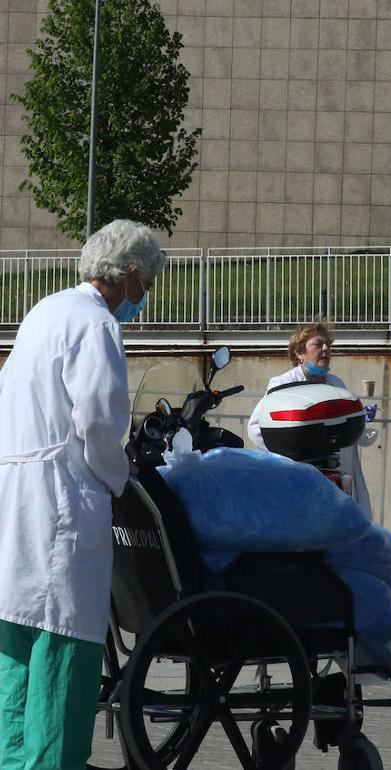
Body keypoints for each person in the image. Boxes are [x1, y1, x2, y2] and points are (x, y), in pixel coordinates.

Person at [0, 219, 166, 770]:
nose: (144, 297)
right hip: (62, 498)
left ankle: (14, 758)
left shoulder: (44, 311)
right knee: (64, 640)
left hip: (17, 491)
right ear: (130, 275)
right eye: (147, 284)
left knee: (17, 638)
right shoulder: (97, 325)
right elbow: (98, 420)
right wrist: (121, 478)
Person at [247, 322, 374, 518]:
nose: (325, 349)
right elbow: (256, 427)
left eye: (328, 345)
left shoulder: (336, 383)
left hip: (337, 471)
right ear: (299, 352)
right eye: (318, 344)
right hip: (298, 475)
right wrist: (293, 449)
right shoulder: (283, 385)